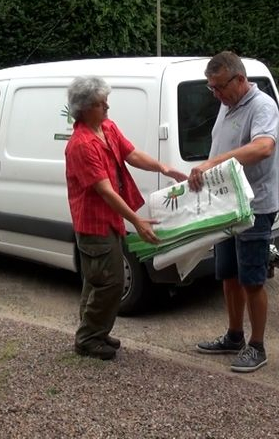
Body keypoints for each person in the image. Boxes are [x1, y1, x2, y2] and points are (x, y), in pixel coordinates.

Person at [65, 76, 188, 361]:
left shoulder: (106, 128)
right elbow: (105, 191)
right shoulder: (82, 145)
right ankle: (88, 339)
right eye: (100, 103)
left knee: (99, 280)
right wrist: (137, 221)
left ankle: (95, 331)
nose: (107, 106)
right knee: (110, 282)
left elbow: (131, 154)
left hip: (110, 221)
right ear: (84, 108)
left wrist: (165, 168)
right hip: (95, 224)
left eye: (106, 100)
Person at [189, 51, 279, 373]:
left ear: (240, 80)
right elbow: (222, 147)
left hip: (254, 207)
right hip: (227, 207)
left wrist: (213, 163)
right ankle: (234, 336)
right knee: (227, 275)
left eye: (219, 87)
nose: (215, 94)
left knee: (252, 279)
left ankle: (257, 346)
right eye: (210, 88)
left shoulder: (262, 106)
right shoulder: (227, 105)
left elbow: (264, 147)